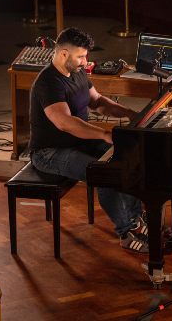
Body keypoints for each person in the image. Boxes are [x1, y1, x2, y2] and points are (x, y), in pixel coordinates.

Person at [29, 27, 149, 254]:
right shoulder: (48, 82)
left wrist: (130, 114)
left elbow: (97, 102)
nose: (86, 61)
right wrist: (104, 134)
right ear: (64, 54)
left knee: (128, 155)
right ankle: (126, 233)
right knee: (104, 173)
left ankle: (135, 219)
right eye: (81, 56)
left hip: (78, 143)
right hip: (49, 153)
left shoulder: (77, 71)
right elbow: (64, 122)